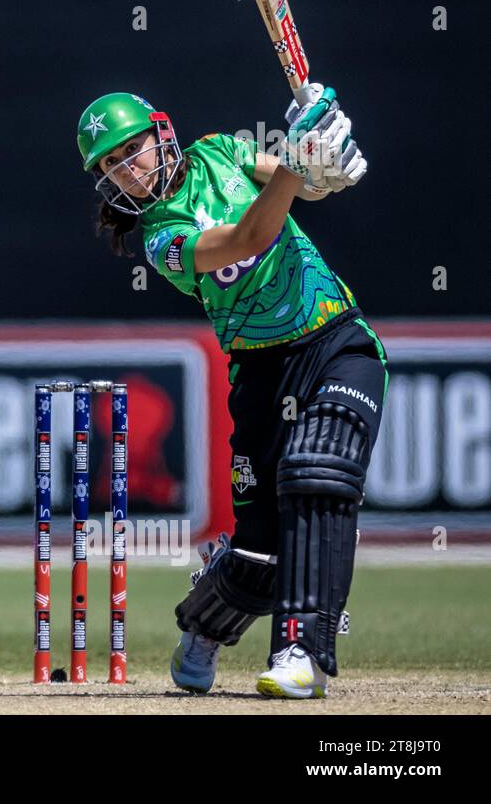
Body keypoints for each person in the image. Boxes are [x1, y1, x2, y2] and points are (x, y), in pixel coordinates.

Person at [76, 88, 385, 698]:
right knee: (258, 556)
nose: (126, 169)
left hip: (335, 338)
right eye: (110, 165)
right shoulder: (160, 240)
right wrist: (298, 164)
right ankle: (205, 627)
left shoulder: (221, 150)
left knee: (316, 474)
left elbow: (308, 187)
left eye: (130, 149)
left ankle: (301, 653)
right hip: (260, 372)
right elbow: (249, 238)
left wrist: (328, 157)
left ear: (162, 132)